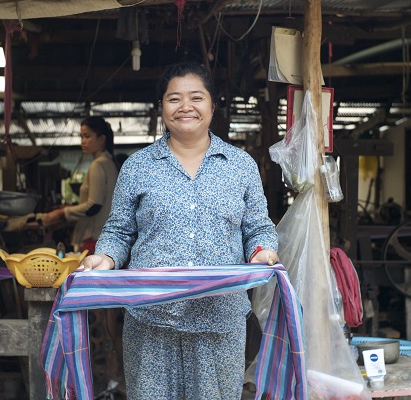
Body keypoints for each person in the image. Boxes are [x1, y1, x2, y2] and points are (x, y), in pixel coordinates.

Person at [79, 60, 279, 400]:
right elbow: (119, 230)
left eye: (196, 97)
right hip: (151, 319)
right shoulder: (138, 166)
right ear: (161, 107)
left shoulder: (241, 165)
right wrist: (105, 257)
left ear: (213, 105)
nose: (185, 106)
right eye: (174, 98)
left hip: (220, 318)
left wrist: (263, 249)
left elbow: (258, 228)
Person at [41, 116, 119, 255]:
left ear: (101, 139)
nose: (83, 141)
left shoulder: (98, 164)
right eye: (81, 136)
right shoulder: (109, 163)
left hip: (95, 238)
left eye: (87, 136)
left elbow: (93, 206)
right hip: (105, 237)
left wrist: (61, 213)